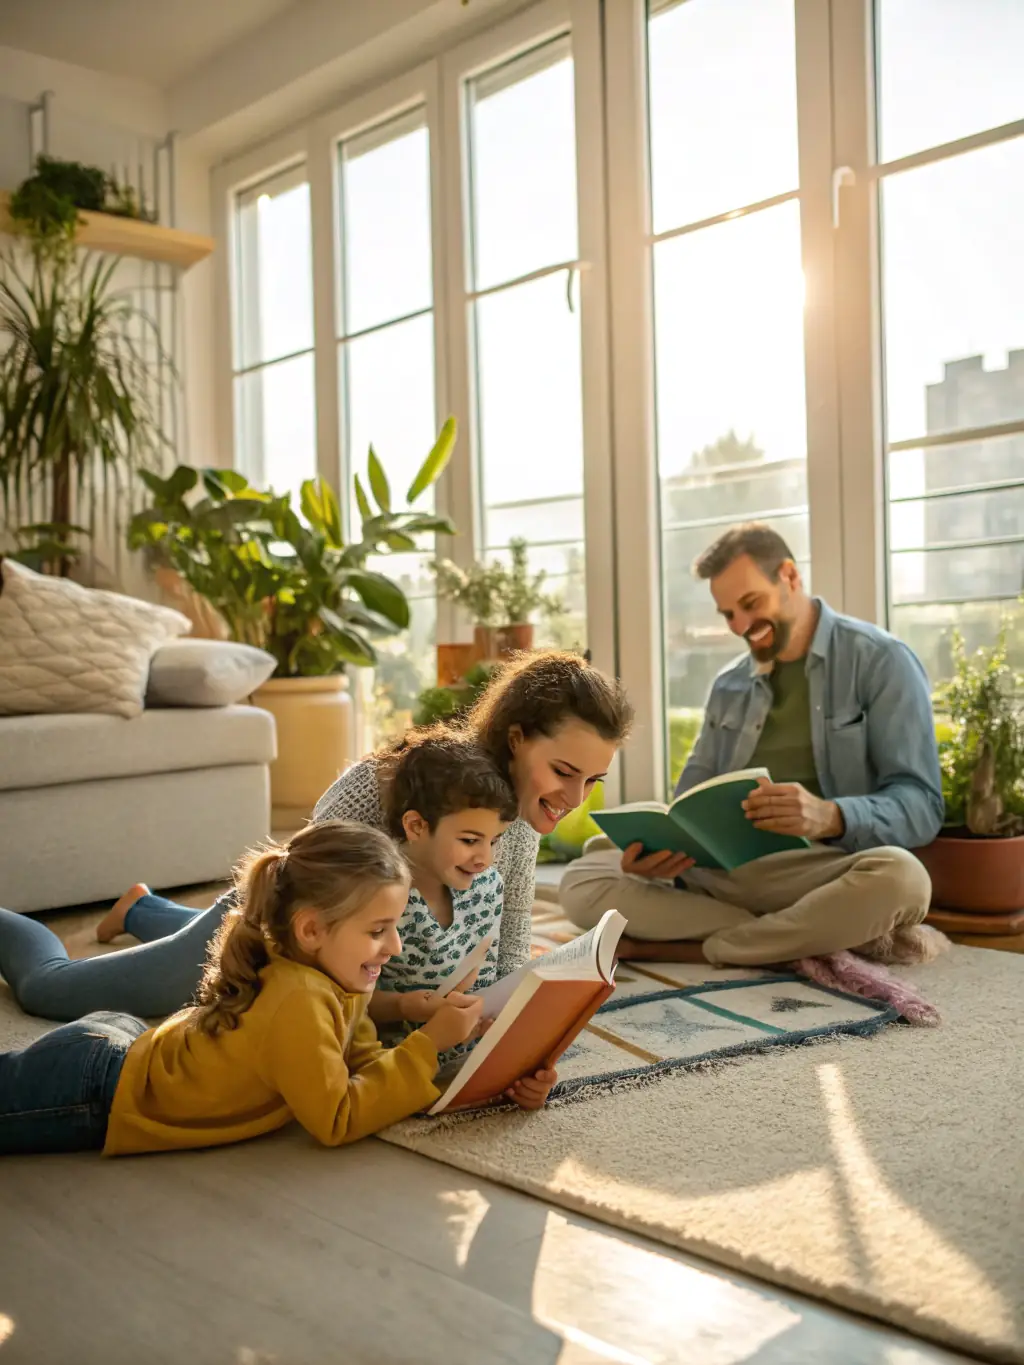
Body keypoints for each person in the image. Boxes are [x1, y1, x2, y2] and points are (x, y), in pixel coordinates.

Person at [0, 651, 633, 1022]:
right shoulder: (400, 784)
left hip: (345, 964)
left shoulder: (513, 834)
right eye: (563, 772)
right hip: (270, 934)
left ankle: (140, 908)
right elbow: (295, 903)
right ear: (518, 738)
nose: (574, 800)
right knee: (52, 988)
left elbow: (503, 967)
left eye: (594, 781)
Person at [561, 523, 945, 967]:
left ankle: (701, 947)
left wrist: (830, 816)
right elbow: (686, 804)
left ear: (789, 577)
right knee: (584, 877)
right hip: (718, 875)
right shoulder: (729, 685)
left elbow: (921, 805)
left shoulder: (881, 661)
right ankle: (794, 935)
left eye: (750, 604)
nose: (741, 626)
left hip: (819, 872)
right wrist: (655, 855)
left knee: (904, 880)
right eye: (728, 615)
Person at [0, 822, 487, 1157]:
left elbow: (362, 1068)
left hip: (125, 1049)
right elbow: (336, 1117)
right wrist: (428, 1046)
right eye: (379, 930)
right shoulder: (297, 998)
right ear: (312, 930)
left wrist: (460, 1063)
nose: (395, 947)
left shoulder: (340, 979)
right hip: (97, 1090)